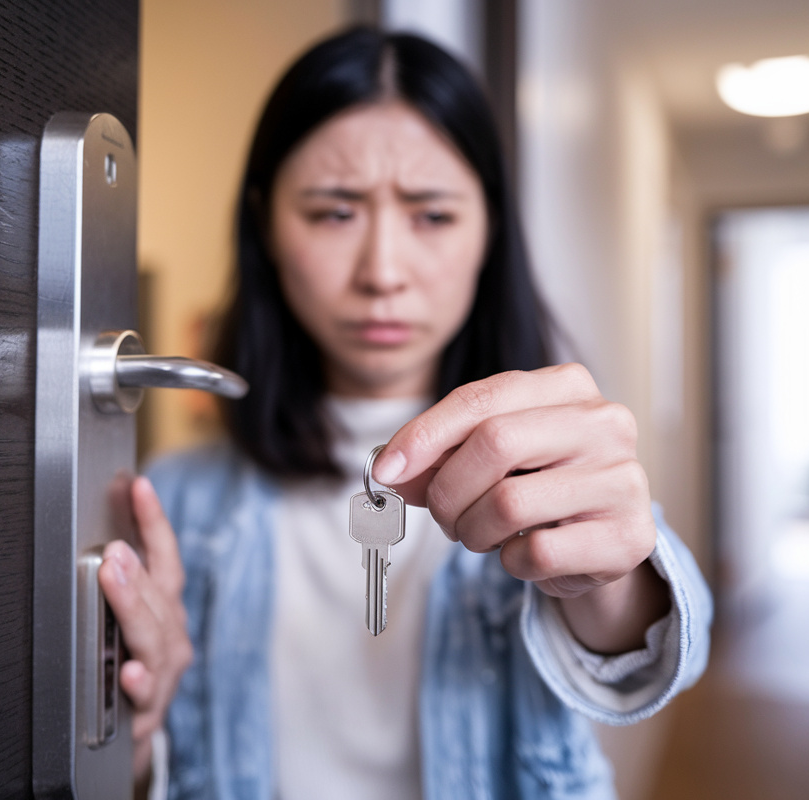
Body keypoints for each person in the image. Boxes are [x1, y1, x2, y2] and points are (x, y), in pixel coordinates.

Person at [98, 26, 712, 800]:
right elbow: (149, 768)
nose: (383, 271)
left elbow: (652, 647)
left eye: (432, 215)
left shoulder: (549, 460)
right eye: (332, 213)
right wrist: (137, 741)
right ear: (265, 224)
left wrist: (613, 574)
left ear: (490, 229)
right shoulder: (171, 498)